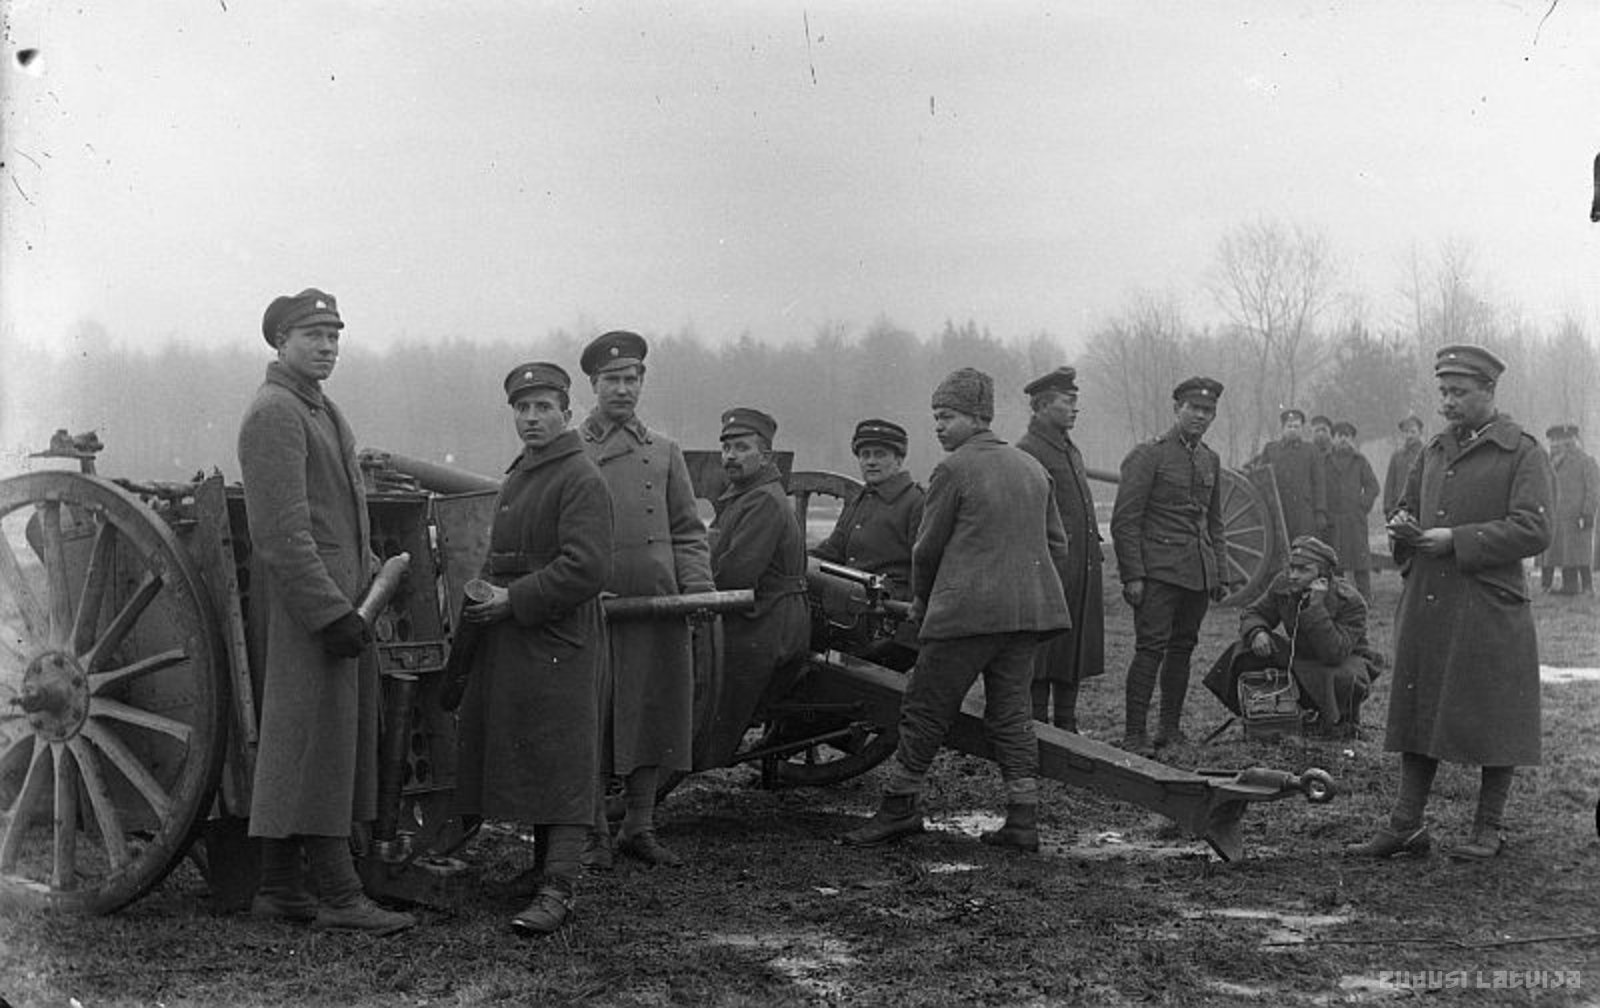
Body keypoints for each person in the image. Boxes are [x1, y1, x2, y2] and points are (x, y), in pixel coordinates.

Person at [238, 288, 414, 934]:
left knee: (312, 740)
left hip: (339, 603)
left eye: (335, 336)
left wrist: (363, 584)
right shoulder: (275, 413)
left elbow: (339, 518)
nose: (327, 347)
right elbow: (282, 534)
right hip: (306, 610)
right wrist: (329, 613)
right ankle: (339, 895)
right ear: (280, 342)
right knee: (315, 742)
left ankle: (279, 888)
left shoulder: (321, 410)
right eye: (313, 335)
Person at [842, 367, 1070, 852]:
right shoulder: (1032, 467)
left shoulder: (953, 469)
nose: (938, 426)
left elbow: (926, 550)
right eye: (936, 417)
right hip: (1026, 618)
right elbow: (1058, 546)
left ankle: (898, 808)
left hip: (965, 616)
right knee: (1012, 714)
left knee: (924, 708)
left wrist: (923, 602)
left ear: (977, 417)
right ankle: (1023, 819)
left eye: (946, 416)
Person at [1349, 344, 1552, 861]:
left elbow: (1534, 529)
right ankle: (1406, 825)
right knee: (1419, 706)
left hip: (1488, 605)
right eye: (1443, 391)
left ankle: (1489, 827)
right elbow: (1406, 506)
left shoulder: (1523, 451)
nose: (1447, 402)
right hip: (1430, 602)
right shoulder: (1434, 449)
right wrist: (1402, 525)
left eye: (1459, 392)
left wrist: (1457, 540)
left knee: (1496, 712)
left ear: (1490, 391)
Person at [455, 362, 614, 935]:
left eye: (544, 407)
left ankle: (559, 887)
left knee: (564, 758)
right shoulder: (525, 472)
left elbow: (587, 568)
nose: (531, 418)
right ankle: (541, 870)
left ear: (567, 414)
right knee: (539, 754)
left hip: (560, 637)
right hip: (522, 634)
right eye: (522, 408)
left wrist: (513, 599)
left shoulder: (580, 476)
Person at [577, 331, 714, 870]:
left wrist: (697, 589)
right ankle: (592, 831)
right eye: (612, 379)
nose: (622, 388)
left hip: (658, 607)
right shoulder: (572, 449)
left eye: (631, 378)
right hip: (595, 609)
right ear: (593, 384)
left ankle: (639, 825)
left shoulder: (664, 450)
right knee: (593, 716)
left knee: (654, 712)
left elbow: (688, 531)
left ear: (642, 382)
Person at [1110, 376, 1232, 753]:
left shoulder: (1210, 458)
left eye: (1208, 410)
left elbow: (1214, 522)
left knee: (1183, 649)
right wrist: (1133, 575)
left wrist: (1220, 573)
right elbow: (1125, 520)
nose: (1200, 416)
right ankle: (1135, 734)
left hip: (1197, 574)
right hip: (1158, 573)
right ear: (1177, 409)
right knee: (1150, 649)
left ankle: (1169, 729)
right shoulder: (1149, 455)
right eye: (1193, 408)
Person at [706, 408, 811, 770]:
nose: (730, 456)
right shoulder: (746, 495)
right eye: (726, 448)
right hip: (762, 612)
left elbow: (736, 574)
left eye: (742, 448)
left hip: (767, 621)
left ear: (765, 456)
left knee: (708, 679)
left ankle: (700, 753)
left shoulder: (763, 499)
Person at [1016, 366, 1105, 731]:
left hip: (1080, 569)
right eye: (1067, 401)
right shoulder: (1028, 451)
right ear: (1041, 406)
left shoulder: (1069, 448)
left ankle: (1067, 725)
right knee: (1044, 652)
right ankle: (1038, 728)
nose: (1074, 408)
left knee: (1074, 648)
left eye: (1075, 401)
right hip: (1050, 570)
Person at [1230, 535, 1379, 737]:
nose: (1293, 575)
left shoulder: (1350, 601)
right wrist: (1257, 632)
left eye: (1303, 570)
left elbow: (1333, 653)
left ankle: (1340, 720)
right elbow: (1254, 612)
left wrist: (1316, 607)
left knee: (1342, 677)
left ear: (1322, 575)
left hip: (1342, 661)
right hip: (1301, 656)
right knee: (1243, 650)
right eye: (1292, 568)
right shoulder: (1284, 584)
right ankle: (1264, 713)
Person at [810, 418, 924, 600]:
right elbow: (833, 550)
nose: (871, 462)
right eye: (865, 455)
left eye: (880, 455)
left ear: (899, 460)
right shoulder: (859, 499)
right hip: (851, 596)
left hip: (890, 603)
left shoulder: (916, 502)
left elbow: (924, 565)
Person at [1246, 408, 1326, 541]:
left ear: (1302, 429)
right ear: (1283, 429)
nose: (1293, 430)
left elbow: (1319, 483)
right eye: (1289, 426)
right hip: (1278, 509)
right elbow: (1260, 477)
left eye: (1296, 426)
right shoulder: (1271, 449)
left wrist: (1320, 511)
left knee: (1304, 545)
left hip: (1303, 511)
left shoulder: (1311, 451)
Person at [1324, 421, 1380, 599]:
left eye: (1347, 436)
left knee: (1360, 562)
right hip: (1333, 519)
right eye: (1339, 436)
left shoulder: (1359, 461)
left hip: (1354, 519)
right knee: (1335, 563)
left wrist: (1362, 505)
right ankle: (1338, 600)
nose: (1343, 439)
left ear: (1352, 439)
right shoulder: (1325, 461)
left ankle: (1365, 599)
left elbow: (1373, 486)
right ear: (1333, 439)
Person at [1542, 424, 1599, 595]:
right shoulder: (1550, 463)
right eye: (1554, 441)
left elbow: (1593, 489)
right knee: (1562, 553)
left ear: (1572, 441)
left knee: (1578, 554)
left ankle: (1587, 588)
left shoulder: (1586, 461)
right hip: (1556, 517)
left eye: (1561, 441)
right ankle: (1568, 587)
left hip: (1576, 517)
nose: (1556, 445)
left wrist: (1587, 512)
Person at [1382, 414, 1425, 517]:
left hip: (1420, 508)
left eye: (1413, 432)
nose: (1409, 435)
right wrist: (1388, 508)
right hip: (1398, 509)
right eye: (1406, 432)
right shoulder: (1397, 456)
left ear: (1420, 433)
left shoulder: (1426, 454)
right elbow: (1390, 483)